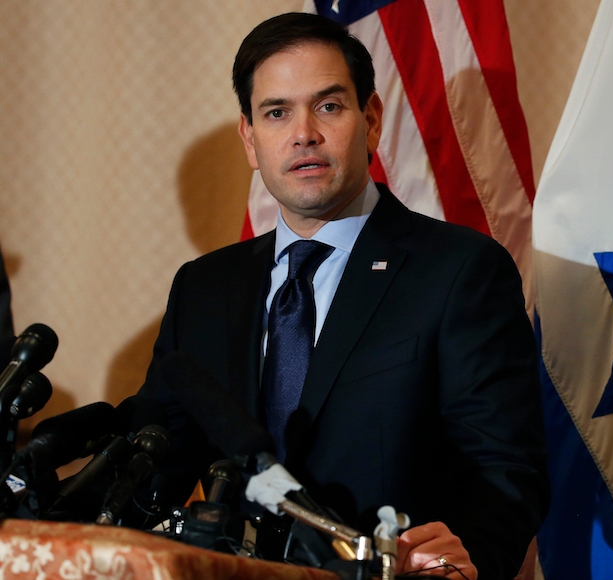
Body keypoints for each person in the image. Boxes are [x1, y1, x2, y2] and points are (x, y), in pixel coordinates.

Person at [140, 12, 548, 579]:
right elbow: (154, 461)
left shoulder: (459, 271)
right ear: (250, 139)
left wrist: (462, 555)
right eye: (277, 112)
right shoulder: (204, 288)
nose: (303, 132)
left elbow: (505, 469)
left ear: (372, 120)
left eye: (328, 106)